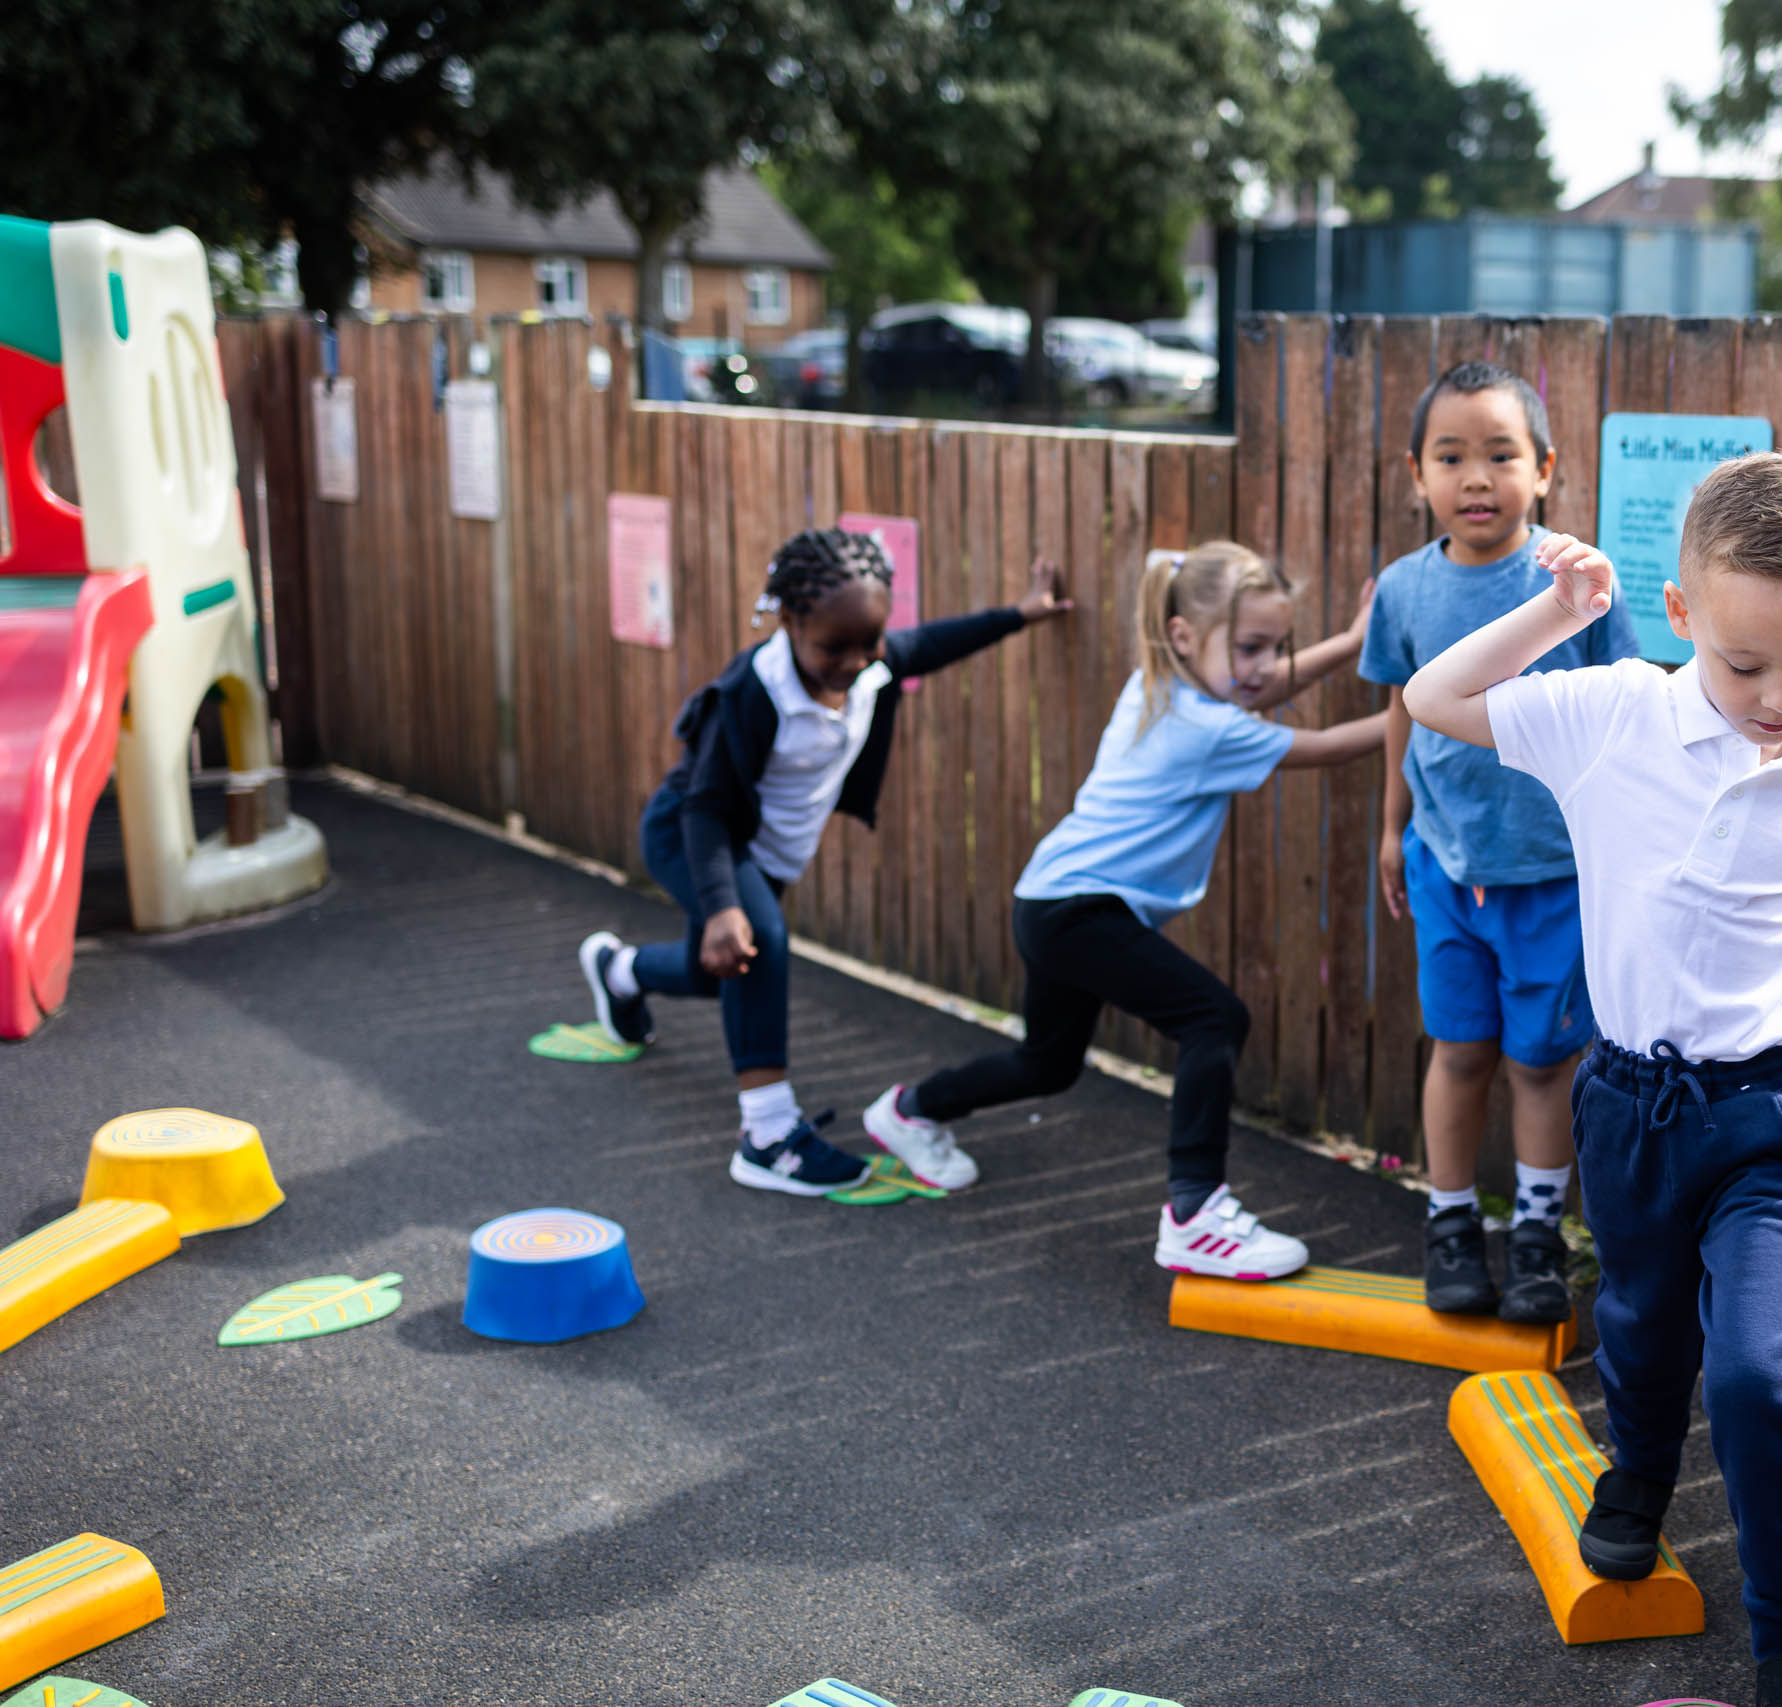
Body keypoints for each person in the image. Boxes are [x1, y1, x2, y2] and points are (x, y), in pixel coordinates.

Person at [1404, 452, 1782, 1707]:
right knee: (1641, 1327)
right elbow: (1434, 696)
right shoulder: (1613, 714)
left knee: (1754, 1372)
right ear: (1683, 612)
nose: (1780, 699)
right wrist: (1560, 612)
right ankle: (1637, 1477)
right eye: (1746, 665)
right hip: (1633, 1104)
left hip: (1775, 1115)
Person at [865, 541, 1384, 1278]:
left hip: (1050, 899)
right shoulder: (1207, 728)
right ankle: (1195, 1213)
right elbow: (1329, 744)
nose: (1268, 664)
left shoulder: (1157, 684)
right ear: (1184, 636)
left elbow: (1255, 687)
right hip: (1081, 909)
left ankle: (910, 1109)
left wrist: (1354, 641)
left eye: (1278, 645)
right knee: (1213, 1018)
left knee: (1047, 1063)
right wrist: (1432, 706)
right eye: (1251, 646)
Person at [575, 528, 1072, 1196]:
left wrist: (1023, 612)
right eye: (833, 647)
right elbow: (705, 808)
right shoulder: (755, 691)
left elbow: (933, 643)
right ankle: (768, 1136)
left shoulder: (870, 665)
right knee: (756, 943)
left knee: (715, 971)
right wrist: (723, 906)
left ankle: (620, 972)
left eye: (869, 642)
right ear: (788, 621)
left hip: (760, 853)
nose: (854, 661)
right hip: (693, 837)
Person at [1361, 360, 1641, 1324]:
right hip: (1444, 867)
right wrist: (1392, 825)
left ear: (1545, 468)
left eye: (1500, 455)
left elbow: (1624, 713)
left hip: (1555, 876)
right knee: (1459, 1050)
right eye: (1450, 457)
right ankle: (1448, 1224)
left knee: (1542, 1064)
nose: (1475, 477)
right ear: (1416, 475)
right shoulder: (1404, 589)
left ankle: (1535, 1236)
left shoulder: (1578, 585)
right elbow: (1401, 712)